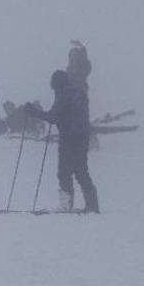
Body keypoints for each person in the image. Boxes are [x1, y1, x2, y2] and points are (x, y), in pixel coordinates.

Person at [25, 69, 99, 213]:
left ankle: (66, 205)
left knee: (64, 172)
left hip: (69, 139)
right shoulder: (79, 95)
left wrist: (33, 112)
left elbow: (53, 117)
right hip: (82, 138)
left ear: (56, 85)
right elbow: (66, 116)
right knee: (81, 171)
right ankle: (93, 205)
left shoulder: (64, 95)